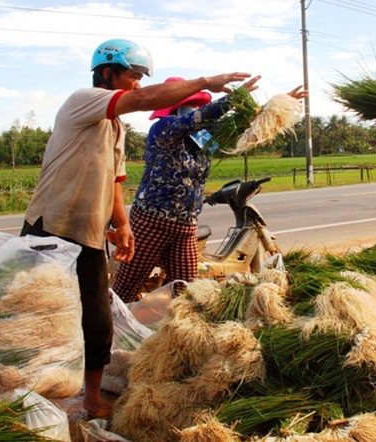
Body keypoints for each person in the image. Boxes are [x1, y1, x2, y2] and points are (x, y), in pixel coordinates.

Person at [20, 38, 251, 419]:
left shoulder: (116, 128)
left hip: (92, 234)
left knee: (98, 319)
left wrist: (122, 224)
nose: (139, 85)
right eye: (135, 76)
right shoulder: (84, 101)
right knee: (38, 314)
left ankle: (92, 396)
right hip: (50, 227)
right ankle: (25, 390)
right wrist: (207, 80)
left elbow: (114, 179)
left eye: (144, 79)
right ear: (107, 73)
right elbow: (151, 103)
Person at [111, 76, 307, 303]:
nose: (195, 109)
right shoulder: (164, 128)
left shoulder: (201, 138)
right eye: (191, 105)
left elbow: (236, 129)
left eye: (197, 105)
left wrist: (276, 107)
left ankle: (176, 334)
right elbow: (202, 117)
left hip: (185, 224)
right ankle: (109, 332)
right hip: (152, 220)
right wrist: (233, 99)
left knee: (188, 293)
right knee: (126, 287)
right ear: (175, 106)